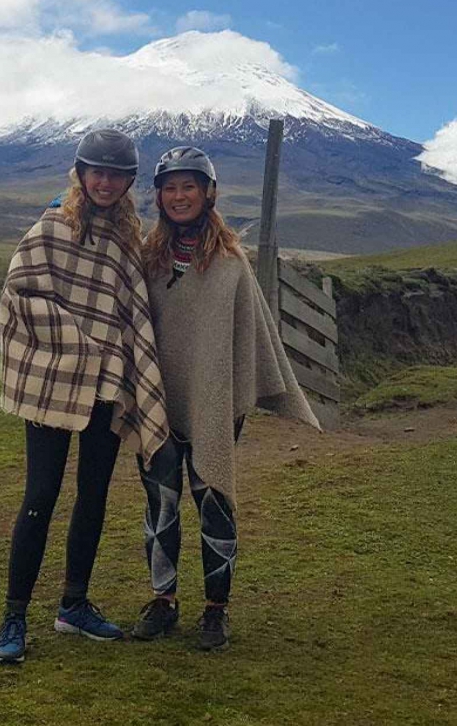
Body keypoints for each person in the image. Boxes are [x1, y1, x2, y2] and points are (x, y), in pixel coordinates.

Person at [130, 145, 322, 651]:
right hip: (156, 402)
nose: (179, 196)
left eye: (188, 186)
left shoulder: (232, 264)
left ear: (208, 193)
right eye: (170, 187)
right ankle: (163, 600)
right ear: (158, 196)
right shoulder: (146, 260)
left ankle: (216, 609)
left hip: (215, 401)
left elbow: (250, 337)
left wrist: (236, 395)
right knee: (160, 502)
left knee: (213, 499)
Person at [0, 128, 172, 665]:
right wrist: (80, 344)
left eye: (116, 174)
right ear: (80, 173)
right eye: (96, 171)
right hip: (55, 377)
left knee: (92, 495)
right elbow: (19, 293)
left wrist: (110, 356)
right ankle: (14, 615)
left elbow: (130, 313)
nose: (105, 181)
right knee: (40, 496)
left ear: (129, 182)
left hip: (105, 386)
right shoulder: (52, 227)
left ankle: (74, 604)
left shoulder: (125, 242)